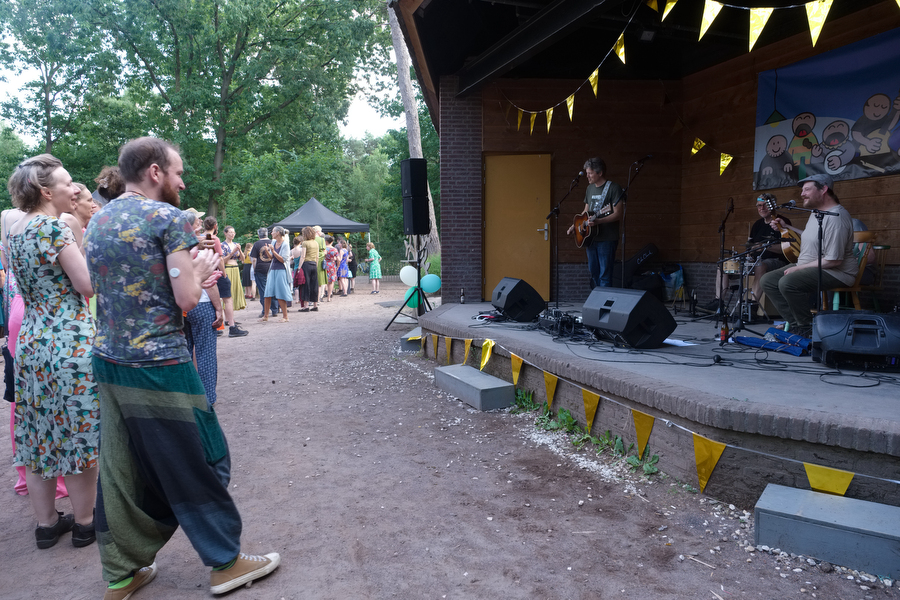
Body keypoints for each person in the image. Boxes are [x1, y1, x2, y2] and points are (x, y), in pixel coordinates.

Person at [84, 137, 280, 599]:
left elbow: (114, 285)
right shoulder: (167, 218)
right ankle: (225, 562)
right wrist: (203, 268)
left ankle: (122, 571)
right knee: (205, 456)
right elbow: (188, 300)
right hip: (160, 361)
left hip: (109, 361)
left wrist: (190, 273)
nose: (182, 180)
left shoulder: (100, 218)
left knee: (122, 467)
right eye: (177, 171)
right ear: (154, 172)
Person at [6, 154, 98, 550]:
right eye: (68, 183)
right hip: (68, 342)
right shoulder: (54, 229)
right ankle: (84, 522)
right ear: (46, 191)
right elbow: (86, 285)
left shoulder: (16, 231)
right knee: (77, 431)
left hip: (30, 343)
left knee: (39, 431)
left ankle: (46, 525)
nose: (74, 189)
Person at [760, 174, 858, 338]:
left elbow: (834, 260)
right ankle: (796, 324)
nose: (802, 194)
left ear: (824, 189)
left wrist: (799, 268)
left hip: (837, 272)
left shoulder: (836, 218)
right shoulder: (817, 213)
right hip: (813, 265)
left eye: (807, 189)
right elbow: (811, 236)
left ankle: (805, 328)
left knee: (787, 282)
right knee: (767, 281)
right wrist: (787, 228)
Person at [707, 194, 792, 310]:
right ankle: (718, 302)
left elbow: (786, 248)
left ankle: (752, 306)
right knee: (722, 265)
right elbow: (749, 246)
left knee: (759, 265)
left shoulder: (782, 222)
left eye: (765, 205)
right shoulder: (757, 224)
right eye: (759, 206)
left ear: (773, 206)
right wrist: (748, 257)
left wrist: (765, 247)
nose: (762, 208)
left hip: (776, 261)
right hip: (755, 260)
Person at [183, 211, 224, 408]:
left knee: (184, 353)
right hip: (202, 304)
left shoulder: (176, 248)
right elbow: (210, 283)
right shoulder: (201, 248)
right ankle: (208, 398)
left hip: (182, 306)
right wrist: (219, 309)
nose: (200, 222)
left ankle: (187, 396)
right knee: (205, 352)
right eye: (197, 220)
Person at [566, 157, 623, 288]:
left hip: (607, 238)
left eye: (590, 173)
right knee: (594, 272)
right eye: (587, 173)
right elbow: (585, 212)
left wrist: (599, 221)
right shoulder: (590, 189)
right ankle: (596, 300)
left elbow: (618, 213)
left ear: (600, 173)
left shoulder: (614, 188)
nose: (587, 176)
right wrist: (575, 226)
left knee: (605, 274)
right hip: (590, 238)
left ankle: (602, 304)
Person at [203, 216, 247, 338]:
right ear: (215, 226)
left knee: (213, 299)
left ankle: (216, 327)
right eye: (230, 232)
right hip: (218, 271)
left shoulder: (202, 237)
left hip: (205, 272)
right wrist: (224, 273)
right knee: (227, 299)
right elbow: (220, 258)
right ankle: (232, 326)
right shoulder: (216, 239)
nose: (232, 234)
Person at [260, 225, 292, 322]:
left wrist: (273, 251)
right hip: (272, 269)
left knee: (280, 293)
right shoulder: (273, 242)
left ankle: (285, 317)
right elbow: (272, 258)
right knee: (267, 293)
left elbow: (283, 260)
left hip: (281, 270)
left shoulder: (285, 244)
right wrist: (267, 251)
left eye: (273, 231)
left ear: (278, 233)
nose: (271, 233)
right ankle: (265, 316)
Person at [250, 227, 278, 318]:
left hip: (260, 269)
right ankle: (275, 310)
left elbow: (254, 259)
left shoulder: (257, 244)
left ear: (258, 235)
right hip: (272, 268)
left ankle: (264, 311)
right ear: (267, 234)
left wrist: (254, 269)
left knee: (263, 290)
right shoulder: (273, 242)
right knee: (273, 288)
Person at [221, 225, 248, 317]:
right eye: (230, 232)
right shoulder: (222, 245)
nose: (232, 234)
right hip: (228, 269)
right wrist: (232, 252)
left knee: (235, 292)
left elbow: (243, 260)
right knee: (229, 292)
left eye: (234, 232)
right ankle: (228, 318)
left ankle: (231, 318)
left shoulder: (236, 244)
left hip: (236, 269)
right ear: (225, 233)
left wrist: (240, 250)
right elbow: (223, 260)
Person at [297, 227, 320, 312]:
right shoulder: (316, 243)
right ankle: (315, 305)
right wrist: (316, 265)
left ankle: (306, 306)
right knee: (314, 285)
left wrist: (299, 267)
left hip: (306, 265)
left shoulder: (305, 243)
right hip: (314, 264)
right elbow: (317, 256)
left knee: (305, 285)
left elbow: (303, 256)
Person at [323, 235, 339, 302]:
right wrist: (337, 266)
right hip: (332, 266)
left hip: (325, 265)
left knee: (324, 281)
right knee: (331, 282)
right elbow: (339, 259)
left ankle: (322, 294)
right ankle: (329, 297)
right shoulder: (334, 249)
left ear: (326, 241)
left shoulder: (324, 249)